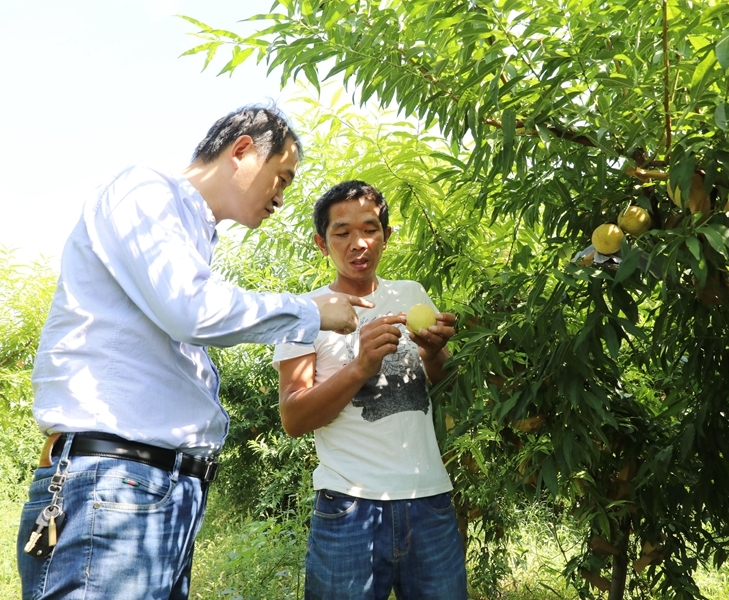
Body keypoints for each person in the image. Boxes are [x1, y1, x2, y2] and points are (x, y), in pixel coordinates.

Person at [17, 105, 372, 600]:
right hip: (115, 483)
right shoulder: (145, 191)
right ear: (243, 150)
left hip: (152, 490)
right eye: (281, 178)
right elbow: (192, 309)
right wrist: (311, 311)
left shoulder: (191, 230)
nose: (282, 198)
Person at [273, 180, 467, 600]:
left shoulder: (411, 294)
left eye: (370, 229)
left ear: (386, 236)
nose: (358, 243)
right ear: (321, 243)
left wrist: (434, 354)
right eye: (342, 232)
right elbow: (294, 418)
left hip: (429, 498)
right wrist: (360, 366)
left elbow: (446, 383)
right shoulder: (305, 314)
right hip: (348, 505)